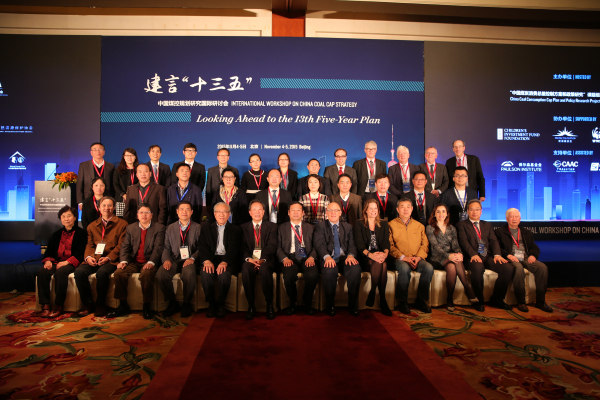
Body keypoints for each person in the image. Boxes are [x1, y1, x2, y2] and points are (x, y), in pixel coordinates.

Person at [108, 204, 165, 319]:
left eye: (147, 212)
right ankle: (123, 305)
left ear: (151, 215)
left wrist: (151, 262)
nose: (144, 215)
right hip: (133, 262)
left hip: (149, 261)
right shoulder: (131, 228)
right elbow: (125, 246)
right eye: (141, 213)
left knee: (146, 275)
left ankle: (147, 306)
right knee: (119, 273)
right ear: (137, 215)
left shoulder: (159, 228)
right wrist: (123, 261)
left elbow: (158, 248)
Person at [74, 196, 128, 317]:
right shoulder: (92, 226)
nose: (106, 208)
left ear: (114, 208)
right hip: (94, 258)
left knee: (102, 273)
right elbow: (89, 244)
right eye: (103, 205)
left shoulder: (122, 224)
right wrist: (89, 257)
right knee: (79, 272)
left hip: (111, 260)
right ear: (99, 208)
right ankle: (87, 304)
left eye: (109, 205)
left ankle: (100, 304)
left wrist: (108, 258)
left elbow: (121, 245)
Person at [456, 199, 513, 311]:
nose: (475, 212)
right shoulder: (461, 225)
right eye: (472, 209)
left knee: (507, 268)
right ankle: (479, 300)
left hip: (487, 256)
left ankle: (497, 299)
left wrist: (497, 254)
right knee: (478, 268)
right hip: (471, 257)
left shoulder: (487, 224)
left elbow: (493, 241)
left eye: (477, 209)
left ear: (481, 211)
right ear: (468, 211)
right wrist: (473, 254)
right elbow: (463, 242)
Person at [495, 208, 553, 313]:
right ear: (507, 219)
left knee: (542, 268)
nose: (514, 219)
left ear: (520, 219)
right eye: (511, 217)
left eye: (516, 217)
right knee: (518, 268)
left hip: (525, 257)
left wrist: (533, 255)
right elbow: (497, 248)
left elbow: (534, 247)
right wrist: (508, 255)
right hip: (511, 258)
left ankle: (540, 301)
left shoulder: (526, 232)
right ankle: (521, 301)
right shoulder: (499, 232)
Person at [36, 206, 87, 318]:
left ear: (75, 217)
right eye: (63, 216)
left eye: (69, 216)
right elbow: (49, 251)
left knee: (61, 272)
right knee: (42, 272)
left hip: (72, 263)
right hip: (57, 262)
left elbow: (81, 253)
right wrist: (48, 261)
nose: (66, 219)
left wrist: (67, 262)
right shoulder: (56, 234)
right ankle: (45, 304)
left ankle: (58, 305)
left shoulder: (82, 234)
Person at [426, 203, 477, 311]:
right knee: (453, 264)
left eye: (443, 211)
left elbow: (456, 245)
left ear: (447, 214)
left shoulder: (452, 228)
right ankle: (466, 287)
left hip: (451, 257)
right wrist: (449, 256)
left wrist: (459, 254)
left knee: (453, 265)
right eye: (438, 211)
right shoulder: (430, 228)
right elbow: (435, 246)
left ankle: (450, 299)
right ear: (434, 214)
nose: (441, 214)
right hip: (437, 257)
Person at [314, 202, 361, 317]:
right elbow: (319, 245)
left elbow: (352, 245)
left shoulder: (348, 227)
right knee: (329, 271)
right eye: (330, 210)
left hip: (345, 258)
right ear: (326, 213)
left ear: (340, 213)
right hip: (329, 258)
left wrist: (351, 255)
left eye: (336, 210)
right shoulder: (320, 226)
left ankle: (353, 303)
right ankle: (330, 304)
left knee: (355, 269)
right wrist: (327, 257)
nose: (333, 213)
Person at [156, 201, 202, 318]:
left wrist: (192, 258)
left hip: (190, 260)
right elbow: (166, 247)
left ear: (191, 212)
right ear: (177, 212)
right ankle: (172, 303)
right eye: (182, 209)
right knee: (161, 274)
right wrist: (166, 260)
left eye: (187, 209)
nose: (184, 212)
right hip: (174, 259)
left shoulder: (198, 227)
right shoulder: (169, 228)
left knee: (189, 273)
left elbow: (201, 248)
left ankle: (186, 303)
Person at [389, 198, 434, 314]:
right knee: (404, 268)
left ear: (412, 209)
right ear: (397, 209)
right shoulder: (391, 225)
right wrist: (404, 258)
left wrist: (418, 257)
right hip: (399, 259)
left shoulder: (419, 226)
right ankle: (402, 301)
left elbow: (425, 244)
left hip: (416, 258)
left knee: (428, 268)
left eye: (408, 207)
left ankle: (421, 300)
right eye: (402, 207)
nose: (405, 209)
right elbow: (390, 246)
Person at [198, 202, 243, 318]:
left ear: (229, 214)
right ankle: (211, 303)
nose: (221, 214)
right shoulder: (206, 228)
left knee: (224, 275)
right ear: (214, 214)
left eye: (224, 212)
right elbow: (202, 246)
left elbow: (234, 248)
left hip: (227, 259)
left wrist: (225, 261)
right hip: (211, 258)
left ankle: (221, 303)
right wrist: (206, 260)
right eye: (219, 212)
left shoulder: (236, 229)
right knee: (205, 273)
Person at [277, 202, 319, 315]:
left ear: (303, 213)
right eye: (293, 210)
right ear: (288, 213)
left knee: (312, 274)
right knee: (288, 275)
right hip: (289, 257)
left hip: (307, 257)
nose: (295, 213)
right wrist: (284, 258)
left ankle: (307, 302)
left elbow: (317, 246)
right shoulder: (281, 228)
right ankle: (293, 301)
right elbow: (278, 247)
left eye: (298, 210)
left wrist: (312, 257)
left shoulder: (311, 228)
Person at [353, 199, 392, 316]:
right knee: (381, 264)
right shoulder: (359, 224)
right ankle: (382, 300)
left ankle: (373, 291)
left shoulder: (383, 224)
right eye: (371, 208)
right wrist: (371, 255)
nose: (373, 210)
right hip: (365, 256)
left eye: (375, 208)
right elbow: (359, 245)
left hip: (380, 255)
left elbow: (386, 242)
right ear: (365, 210)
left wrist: (385, 254)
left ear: (378, 210)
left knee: (382, 263)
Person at [241, 200, 278, 320]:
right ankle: (251, 305)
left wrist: (262, 259)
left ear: (263, 212)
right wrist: (249, 259)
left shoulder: (272, 226)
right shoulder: (243, 227)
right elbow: (242, 247)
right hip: (250, 260)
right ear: (250, 212)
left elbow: (272, 245)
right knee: (246, 269)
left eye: (259, 210)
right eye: (254, 210)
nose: (257, 212)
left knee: (265, 269)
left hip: (266, 259)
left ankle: (269, 304)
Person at [76, 142, 115, 209]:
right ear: (91, 152)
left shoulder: (110, 166)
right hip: (88, 198)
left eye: (100, 149)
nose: (98, 151)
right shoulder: (84, 165)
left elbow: (112, 185)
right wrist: (80, 202)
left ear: (104, 152)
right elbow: (79, 184)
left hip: (106, 199)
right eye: (95, 149)